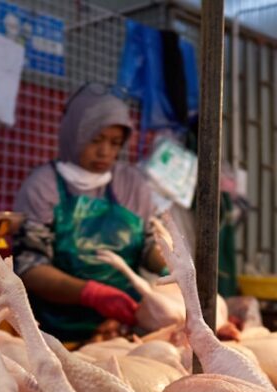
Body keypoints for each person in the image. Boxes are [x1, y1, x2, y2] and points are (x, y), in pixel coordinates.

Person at [11, 83, 166, 342]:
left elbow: (151, 245)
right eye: (95, 140)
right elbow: (29, 267)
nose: (105, 151)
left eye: (115, 143)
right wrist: (91, 293)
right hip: (57, 332)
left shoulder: (131, 184)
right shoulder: (44, 185)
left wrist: (170, 266)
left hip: (125, 325)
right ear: (75, 134)